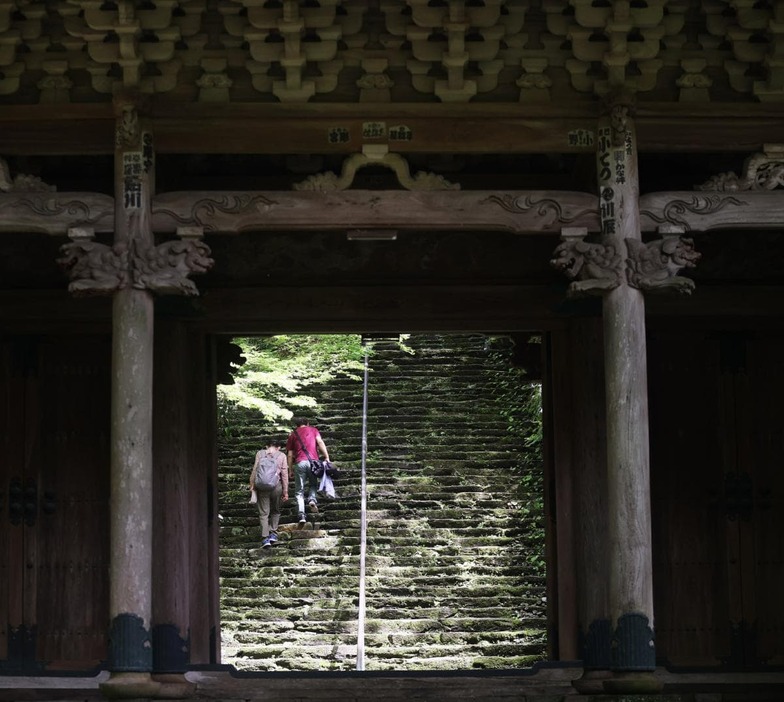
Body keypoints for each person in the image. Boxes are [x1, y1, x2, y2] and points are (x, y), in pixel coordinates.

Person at [286, 417, 330, 524]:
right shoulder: (314, 430)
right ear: (308, 423)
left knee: (299, 490)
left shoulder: (293, 434)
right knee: (313, 484)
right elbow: (320, 442)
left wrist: (290, 469)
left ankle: (301, 515)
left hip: (300, 463)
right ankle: (312, 499)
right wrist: (327, 457)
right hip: (313, 462)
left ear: (297, 425)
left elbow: (290, 455)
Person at [249, 439, 288, 548]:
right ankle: (273, 534)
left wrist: (252, 484)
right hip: (276, 487)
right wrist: (285, 491)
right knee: (276, 510)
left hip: (262, 487)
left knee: (264, 513)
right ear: (278, 447)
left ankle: (265, 538)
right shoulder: (281, 455)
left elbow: (255, 469)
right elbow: (284, 475)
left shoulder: (260, 454)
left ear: (266, 446)